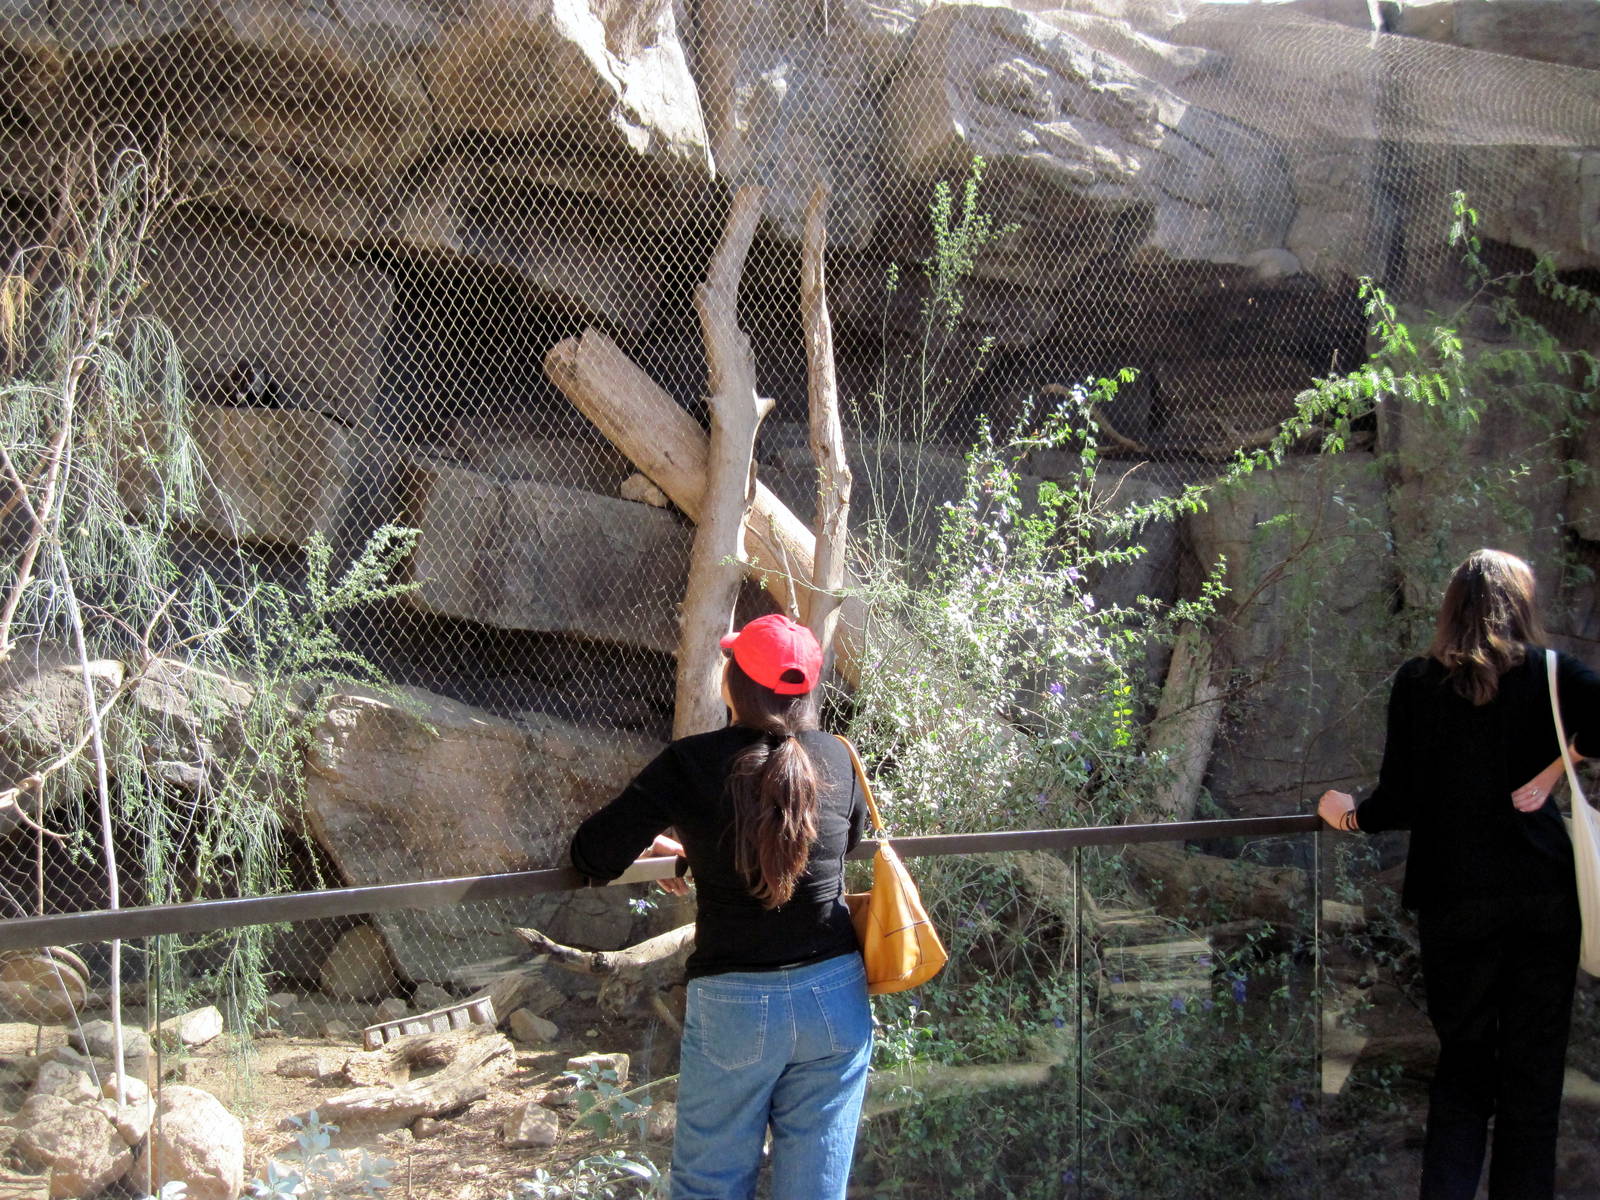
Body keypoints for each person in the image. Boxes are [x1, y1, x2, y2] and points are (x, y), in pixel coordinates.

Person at [1318, 548, 1599, 1199]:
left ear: (1452, 610)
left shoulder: (1419, 683)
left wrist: (1346, 816)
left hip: (1456, 906)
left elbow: (1399, 802)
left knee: (1465, 1072)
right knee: (1533, 1081)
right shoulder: (1553, 675)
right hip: (1542, 902)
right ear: (1520, 606)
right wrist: (1561, 764)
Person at [569, 613, 871, 1200]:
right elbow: (842, 842)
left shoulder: (689, 762)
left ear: (732, 682)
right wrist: (703, 847)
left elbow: (593, 855)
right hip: (836, 994)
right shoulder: (836, 757)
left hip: (737, 1001)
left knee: (709, 1185)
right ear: (807, 691)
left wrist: (683, 846)